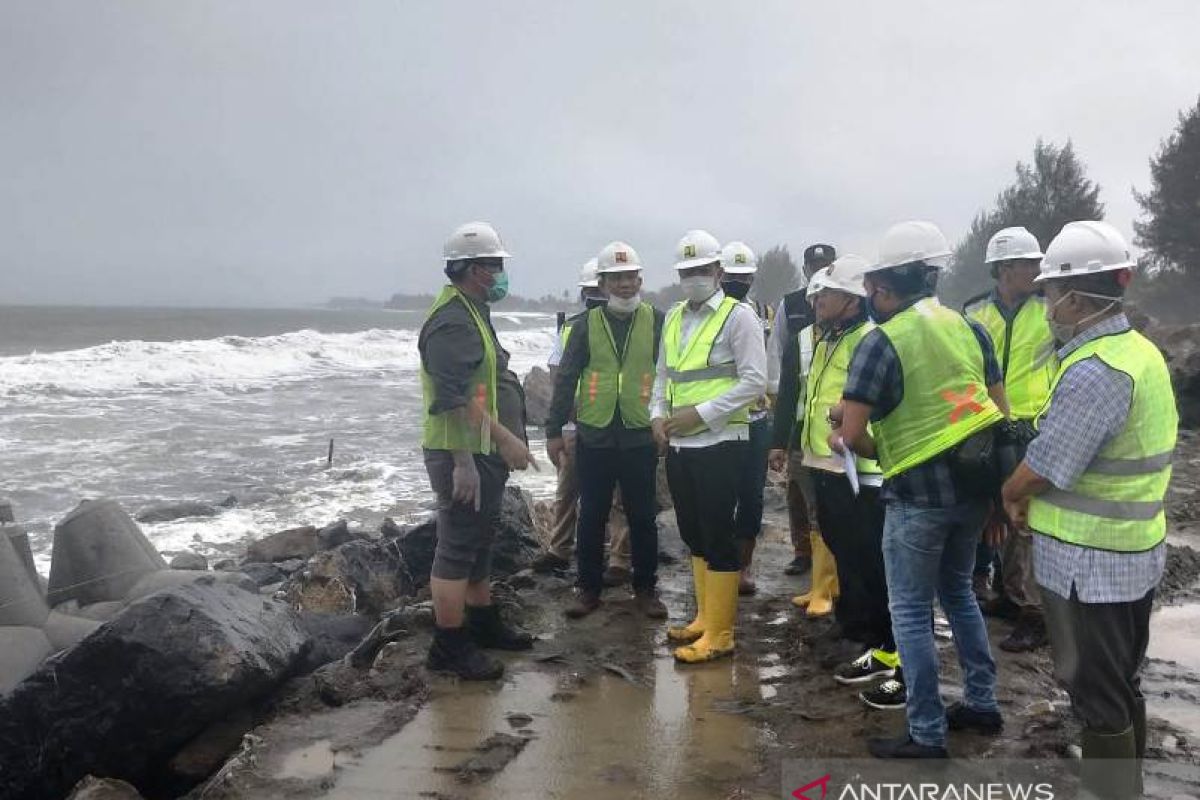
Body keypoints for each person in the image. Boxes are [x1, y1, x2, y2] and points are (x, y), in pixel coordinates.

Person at [1002, 221, 1177, 800]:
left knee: (1094, 688)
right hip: (1128, 551)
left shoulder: (1096, 369)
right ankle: (1125, 776)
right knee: (1120, 681)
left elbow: (1050, 463)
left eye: (1051, 293)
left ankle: (1111, 788)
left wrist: (1012, 491)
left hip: (1089, 564)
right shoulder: (1139, 352)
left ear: (1077, 297)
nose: (1048, 304)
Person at [835, 220, 1009, 758]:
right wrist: (998, 499)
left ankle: (927, 732)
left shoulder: (880, 342)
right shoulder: (971, 328)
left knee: (909, 610)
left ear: (882, 287)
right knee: (959, 594)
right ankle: (981, 703)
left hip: (916, 498)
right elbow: (998, 416)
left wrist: (857, 440)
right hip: (974, 491)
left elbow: (854, 436)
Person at [772, 257, 902, 704]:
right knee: (843, 549)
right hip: (824, 462)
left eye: (825, 294)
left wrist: (840, 420)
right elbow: (803, 393)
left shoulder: (869, 339)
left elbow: (874, 405)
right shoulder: (824, 338)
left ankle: (879, 640)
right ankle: (852, 627)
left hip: (861, 471)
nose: (816, 299)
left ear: (850, 301)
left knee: (869, 558)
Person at [419, 221, 538, 681]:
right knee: (457, 545)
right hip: (462, 453)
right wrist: (466, 461)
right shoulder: (451, 321)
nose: (501, 273)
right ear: (473, 269)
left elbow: (483, 384)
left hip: (482, 448)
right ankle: (448, 645)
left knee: (481, 539)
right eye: (496, 265)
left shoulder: (472, 309)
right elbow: (449, 398)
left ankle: (483, 622)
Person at [653, 229, 767, 663]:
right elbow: (664, 375)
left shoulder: (739, 317)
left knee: (719, 535)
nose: (694, 278)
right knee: (693, 533)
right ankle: (704, 617)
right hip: (682, 444)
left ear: (719, 271)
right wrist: (657, 416)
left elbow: (754, 380)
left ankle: (721, 633)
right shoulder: (675, 316)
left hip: (722, 441)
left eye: (701, 270)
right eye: (686, 271)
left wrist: (699, 415)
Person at [546, 241, 667, 620]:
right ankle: (588, 590)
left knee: (643, 516)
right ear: (602, 283)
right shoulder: (583, 326)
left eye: (630, 277)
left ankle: (645, 589)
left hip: (639, 434)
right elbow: (565, 379)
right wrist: (553, 430)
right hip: (595, 434)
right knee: (592, 514)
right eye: (616, 279)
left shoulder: (659, 321)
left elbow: (670, 375)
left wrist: (667, 422)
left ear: (640, 279)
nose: (625, 285)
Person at [964, 226, 1057, 652]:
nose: (1037, 270)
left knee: (1027, 518)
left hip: (1033, 424)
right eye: (1028, 264)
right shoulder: (972, 311)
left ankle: (1035, 614)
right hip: (985, 424)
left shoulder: (1051, 310)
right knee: (994, 511)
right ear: (1004, 267)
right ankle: (1006, 591)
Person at [531, 258, 632, 584]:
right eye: (590, 292)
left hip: (620, 424)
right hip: (578, 426)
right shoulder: (573, 327)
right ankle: (560, 549)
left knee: (620, 496)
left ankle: (619, 558)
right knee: (568, 490)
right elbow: (558, 377)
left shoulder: (631, 324)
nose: (595, 298)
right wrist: (561, 423)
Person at [770, 244, 836, 576]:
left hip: (837, 433)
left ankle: (829, 572)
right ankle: (802, 552)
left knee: (827, 505)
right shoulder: (793, 311)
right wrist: (778, 439)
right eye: (815, 265)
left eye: (826, 265)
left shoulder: (857, 324)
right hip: (800, 427)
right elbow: (784, 376)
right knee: (796, 495)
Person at [719, 241, 772, 596]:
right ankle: (718, 565)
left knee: (751, 496)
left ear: (753, 276)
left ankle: (744, 566)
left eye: (745, 275)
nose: (739, 281)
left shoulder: (764, 311)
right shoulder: (706, 313)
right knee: (719, 494)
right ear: (720, 274)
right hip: (720, 417)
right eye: (732, 275)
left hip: (756, 417)